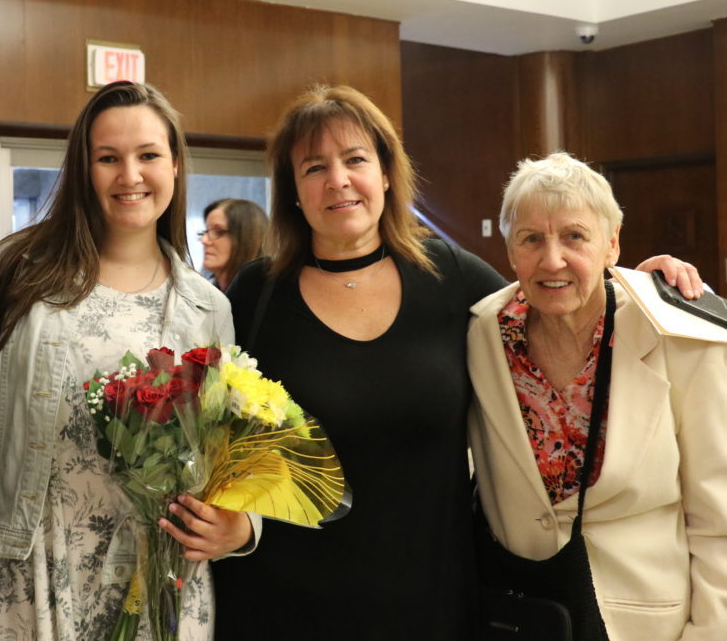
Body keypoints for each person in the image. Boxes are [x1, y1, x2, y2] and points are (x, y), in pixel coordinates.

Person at [211, 85, 702, 639]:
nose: (338, 180)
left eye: (355, 160)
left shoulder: (447, 274)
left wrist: (637, 284)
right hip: (283, 598)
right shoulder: (258, 293)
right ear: (293, 191)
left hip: (430, 597)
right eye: (314, 167)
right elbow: (223, 436)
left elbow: (554, 300)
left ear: (387, 173)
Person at [0, 81, 252, 640]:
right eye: (108, 158)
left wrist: (243, 527)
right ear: (83, 169)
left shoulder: (206, 306)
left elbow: (228, 451)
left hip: (158, 577)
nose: (130, 176)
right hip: (29, 567)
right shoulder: (18, 271)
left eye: (148, 156)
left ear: (174, 165)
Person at [467, 152, 727, 640]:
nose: (552, 259)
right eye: (531, 239)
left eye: (574, 236)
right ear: (510, 252)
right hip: (523, 615)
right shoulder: (481, 332)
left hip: (649, 623)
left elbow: (720, 520)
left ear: (612, 245)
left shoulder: (678, 335)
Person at [198, 198, 268, 291]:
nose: (204, 240)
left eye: (218, 232)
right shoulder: (207, 294)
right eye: (205, 232)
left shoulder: (266, 296)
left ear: (246, 238)